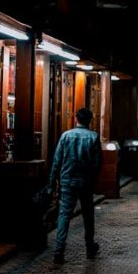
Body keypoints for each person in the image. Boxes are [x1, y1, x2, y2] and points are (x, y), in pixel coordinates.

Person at [48, 107, 103, 264]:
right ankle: (89, 248)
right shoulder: (94, 137)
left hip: (67, 181)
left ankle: (59, 250)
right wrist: (94, 181)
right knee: (88, 216)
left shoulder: (65, 136)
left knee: (64, 215)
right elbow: (97, 163)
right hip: (85, 182)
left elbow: (57, 161)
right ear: (89, 121)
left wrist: (52, 182)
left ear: (75, 119)